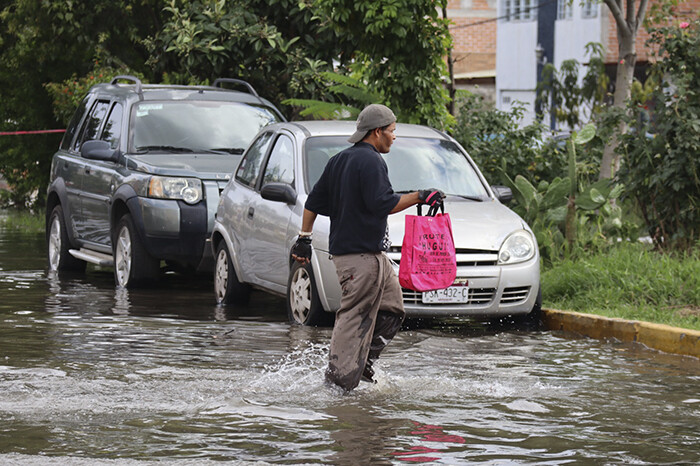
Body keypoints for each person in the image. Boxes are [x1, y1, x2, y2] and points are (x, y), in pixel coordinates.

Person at [291, 104, 445, 392]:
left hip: (369, 257)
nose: (394, 137)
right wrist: (420, 196)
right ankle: (337, 384)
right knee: (353, 318)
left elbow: (312, 203)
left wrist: (304, 237)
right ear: (377, 132)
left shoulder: (338, 160)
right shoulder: (372, 161)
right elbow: (383, 203)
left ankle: (362, 365)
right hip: (360, 259)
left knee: (392, 309)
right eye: (392, 131)